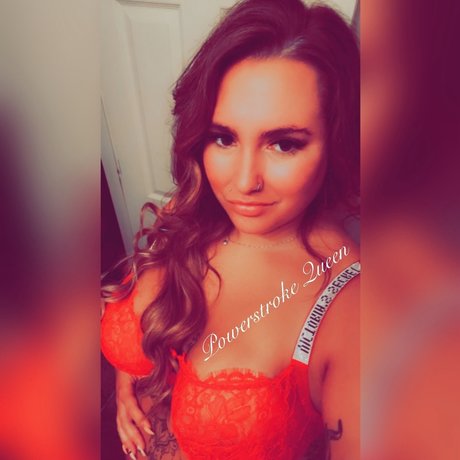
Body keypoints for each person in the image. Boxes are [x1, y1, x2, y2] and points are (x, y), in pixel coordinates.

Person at [101, 0, 360, 458]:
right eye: (224, 138)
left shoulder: (352, 307)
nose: (243, 182)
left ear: (337, 142)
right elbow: (139, 328)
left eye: (284, 144)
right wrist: (128, 388)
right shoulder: (192, 209)